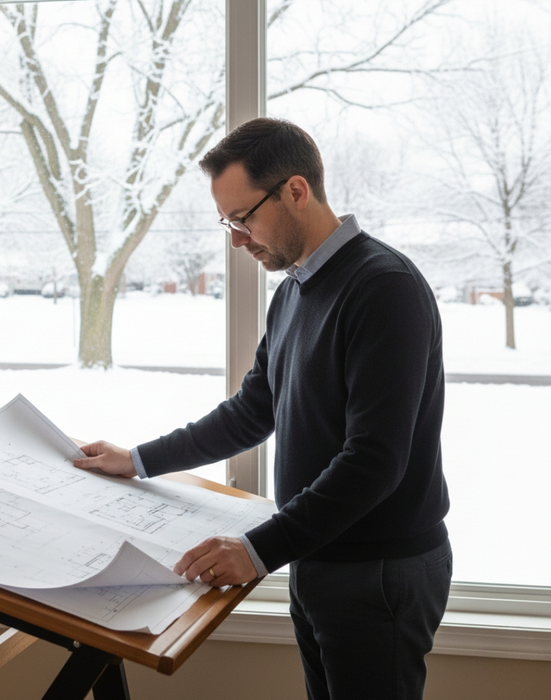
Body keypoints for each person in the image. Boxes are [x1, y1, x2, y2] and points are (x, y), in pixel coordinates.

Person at [74, 117, 452, 700]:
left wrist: (256, 550)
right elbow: (252, 411)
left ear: (296, 191)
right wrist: (139, 459)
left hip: (378, 571)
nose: (236, 240)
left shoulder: (384, 288)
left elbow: (376, 459)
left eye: (242, 219)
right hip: (317, 555)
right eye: (226, 222)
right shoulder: (294, 290)